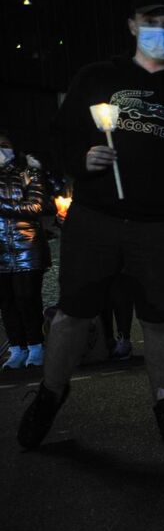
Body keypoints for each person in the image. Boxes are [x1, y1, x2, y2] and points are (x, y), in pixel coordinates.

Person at [18, 0, 164, 449]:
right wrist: (81, 158)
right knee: (72, 314)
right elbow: (59, 137)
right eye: (150, 20)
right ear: (132, 25)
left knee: (158, 318)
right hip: (95, 218)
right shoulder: (96, 77)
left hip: (159, 223)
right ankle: (49, 394)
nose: (159, 32)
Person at [0, 135, 51, 370]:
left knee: (27, 300)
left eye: (4, 146)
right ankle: (16, 348)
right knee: (6, 303)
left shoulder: (29, 172)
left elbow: (36, 206)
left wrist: (3, 205)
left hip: (27, 248)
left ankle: (36, 347)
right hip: (1, 252)